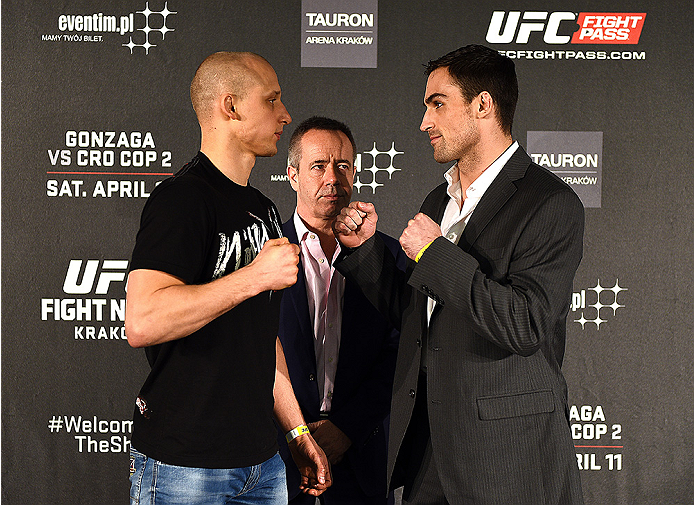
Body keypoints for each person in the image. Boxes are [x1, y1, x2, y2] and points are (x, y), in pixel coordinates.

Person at [334, 45, 585, 504]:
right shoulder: (438, 201)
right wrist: (366, 253)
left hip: (505, 462)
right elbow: (417, 317)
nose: (424, 122)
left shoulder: (549, 203)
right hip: (429, 453)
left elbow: (525, 324)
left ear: (483, 106)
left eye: (437, 103)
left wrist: (434, 252)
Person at [125, 51, 331, 504]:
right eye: (272, 100)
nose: (285, 113)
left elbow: (263, 336)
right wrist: (253, 276)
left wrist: (296, 433)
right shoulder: (180, 199)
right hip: (185, 465)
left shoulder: (265, 208)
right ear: (231, 107)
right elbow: (142, 320)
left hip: (261, 465)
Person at [277, 116, 406, 504]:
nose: (333, 177)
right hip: (278, 464)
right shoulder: (263, 254)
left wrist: (346, 428)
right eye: (318, 166)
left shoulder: (389, 255)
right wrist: (298, 434)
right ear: (292, 175)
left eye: (343, 166)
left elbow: (403, 353)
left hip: (363, 459)